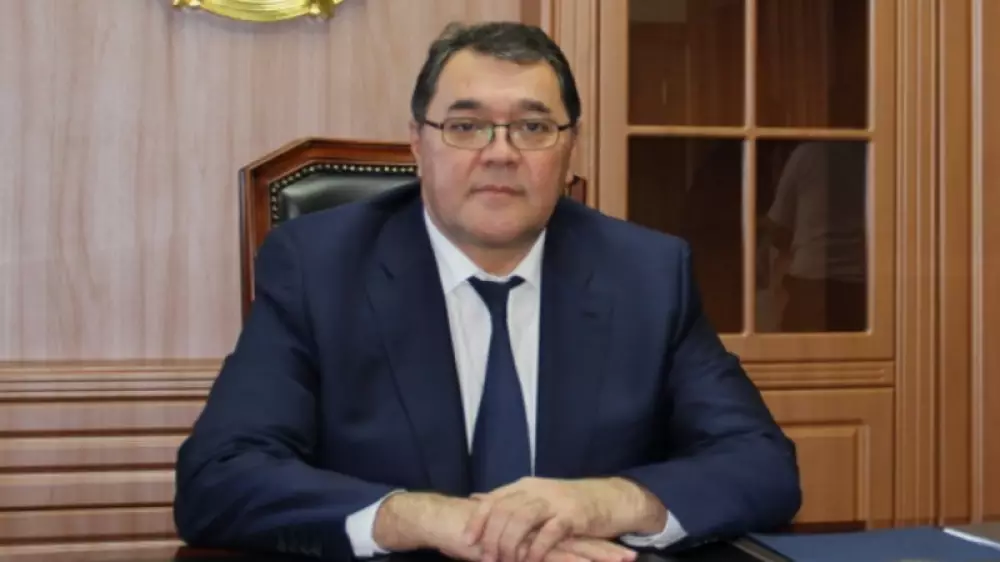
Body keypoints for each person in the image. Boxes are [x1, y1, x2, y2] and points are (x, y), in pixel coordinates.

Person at [173, 21, 802, 562]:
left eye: (533, 126)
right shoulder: (319, 267)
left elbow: (761, 464)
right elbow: (219, 478)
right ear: (417, 141)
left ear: (570, 146)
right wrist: (422, 517)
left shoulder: (647, 274)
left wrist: (607, 501)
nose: (500, 154)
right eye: (466, 126)